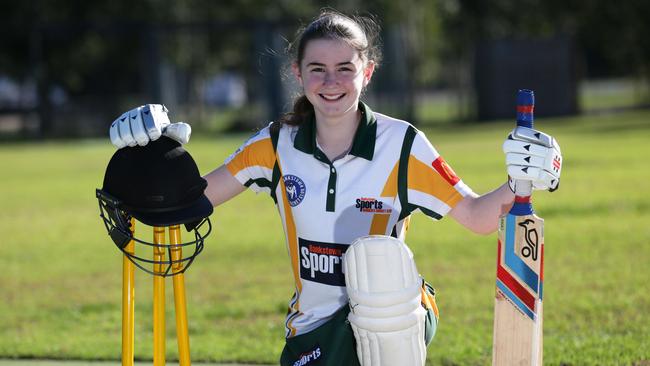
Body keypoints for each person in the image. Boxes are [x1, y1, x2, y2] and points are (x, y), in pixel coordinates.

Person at [108, 10, 562, 366]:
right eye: (318, 69)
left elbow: (480, 218)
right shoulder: (275, 144)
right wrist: (147, 155)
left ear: (368, 72)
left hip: (393, 322)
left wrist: (521, 181)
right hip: (313, 331)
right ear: (298, 74)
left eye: (345, 68)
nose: (331, 82)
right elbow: (189, 201)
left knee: (380, 271)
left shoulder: (401, 145)